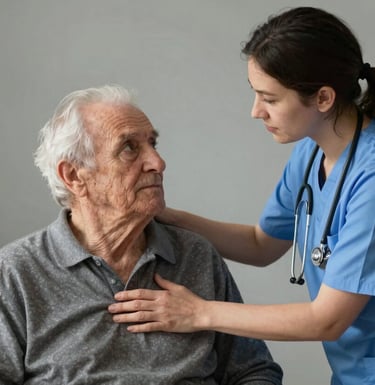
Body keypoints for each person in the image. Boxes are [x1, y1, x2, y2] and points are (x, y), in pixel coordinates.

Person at [106, 7, 375, 385]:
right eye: (255, 94)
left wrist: (198, 313)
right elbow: (261, 244)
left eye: (270, 98)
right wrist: (166, 215)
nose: (255, 112)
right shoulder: (312, 151)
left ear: (324, 98)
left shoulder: (371, 177)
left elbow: (328, 320)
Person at [0, 85, 283, 384]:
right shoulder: (15, 272)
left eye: (152, 144)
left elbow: (254, 370)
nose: (158, 163)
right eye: (129, 148)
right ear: (73, 176)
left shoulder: (195, 255)